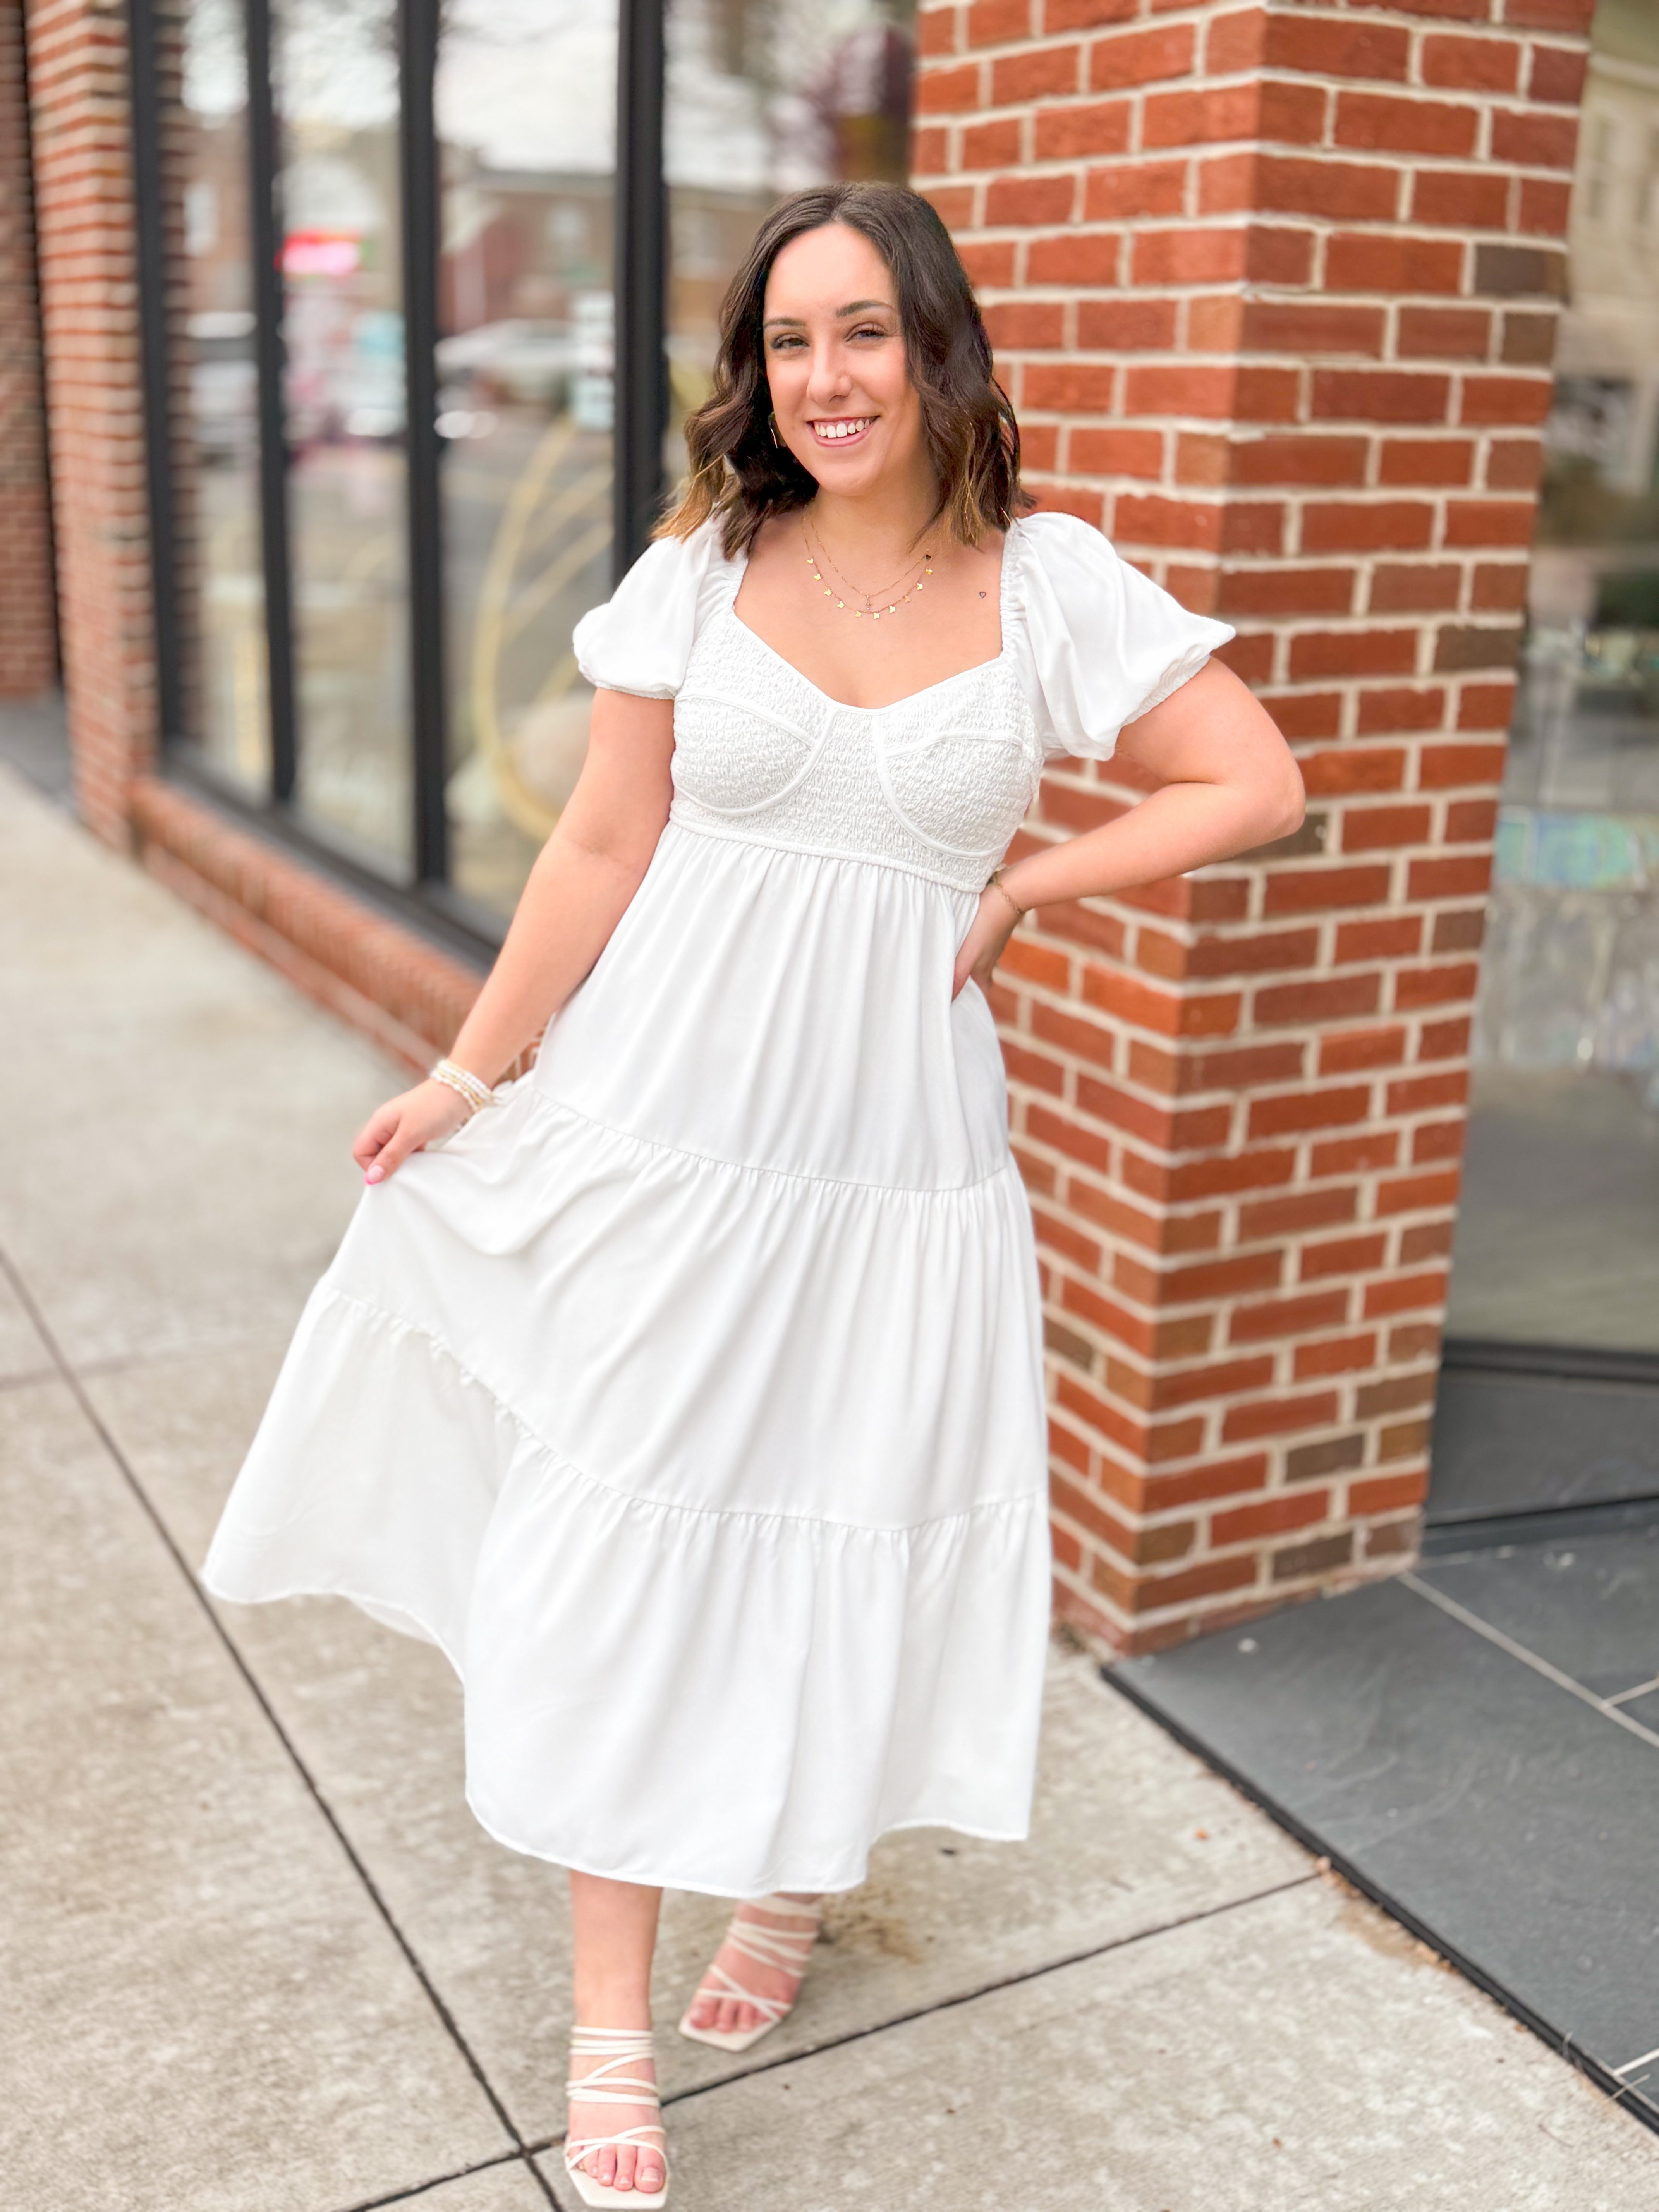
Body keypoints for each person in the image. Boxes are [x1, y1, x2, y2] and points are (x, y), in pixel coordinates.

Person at [204, 181, 1303, 2205]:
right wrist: (469, 1067)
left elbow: (1252, 779)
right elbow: (602, 850)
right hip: (665, 1139)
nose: (826, 377)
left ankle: (789, 1887)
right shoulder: (705, 565)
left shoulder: (1049, 585)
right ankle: (605, 2028)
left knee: (839, 1523)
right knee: (621, 1550)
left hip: (895, 1170)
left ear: (938, 346)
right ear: (757, 374)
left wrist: (1037, 877)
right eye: (792, 342)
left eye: (865, 332)